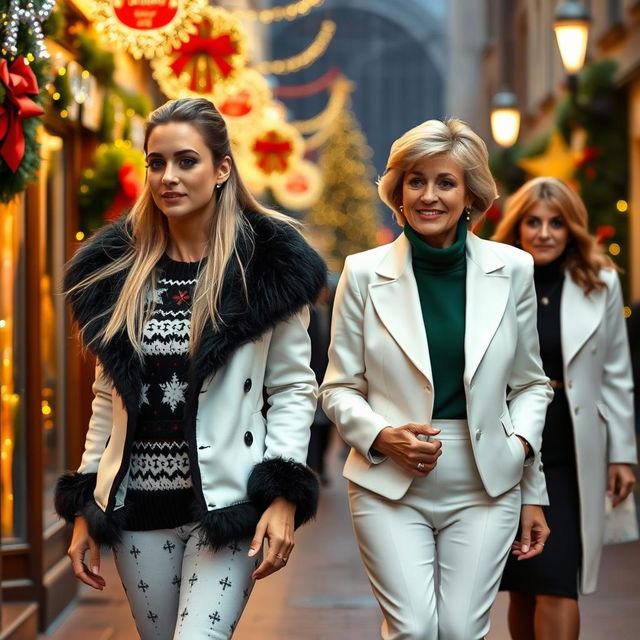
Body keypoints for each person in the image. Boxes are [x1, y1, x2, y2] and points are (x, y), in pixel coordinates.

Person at [54, 97, 326, 640]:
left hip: (225, 505)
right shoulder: (118, 274)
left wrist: (283, 496)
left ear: (222, 168)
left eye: (186, 161)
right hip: (136, 507)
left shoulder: (267, 269)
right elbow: (107, 400)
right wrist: (88, 505)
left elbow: (295, 388)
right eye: (156, 163)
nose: (168, 177)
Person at [320, 119, 553, 640]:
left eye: (445, 182)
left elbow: (530, 384)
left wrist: (525, 471)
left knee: (461, 630)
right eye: (416, 180)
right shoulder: (362, 272)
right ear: (397, 191)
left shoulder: (513, 268)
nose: (429, 196)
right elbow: (337, 387)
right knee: (416, 629)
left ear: (470, 192)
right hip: (388, 481)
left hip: (486, 482)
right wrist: (381, 436)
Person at [493, 177, 637, 640]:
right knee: (524, 585)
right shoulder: (494, 279)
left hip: (574, 455)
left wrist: (622, 453)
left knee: (558, 583)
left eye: (556, 223)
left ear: (572, 228)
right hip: (511, 449)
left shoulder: (601, 283)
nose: (544, 232)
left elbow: (616, 374)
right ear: (517, 227)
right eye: (533, 222)